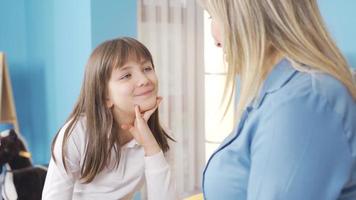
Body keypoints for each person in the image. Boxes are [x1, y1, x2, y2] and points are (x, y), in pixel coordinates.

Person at [199, 0, 356, 199]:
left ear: (249, 15)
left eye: (213, 16)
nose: (215, 39)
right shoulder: (275, 94)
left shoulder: (303, 103)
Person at [42, 37, 176, 200]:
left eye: (147, 68)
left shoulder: (158, 137)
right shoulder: (77, 134)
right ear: (105, 97)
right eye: (126, 75)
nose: (144, 80)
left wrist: (150, 146)